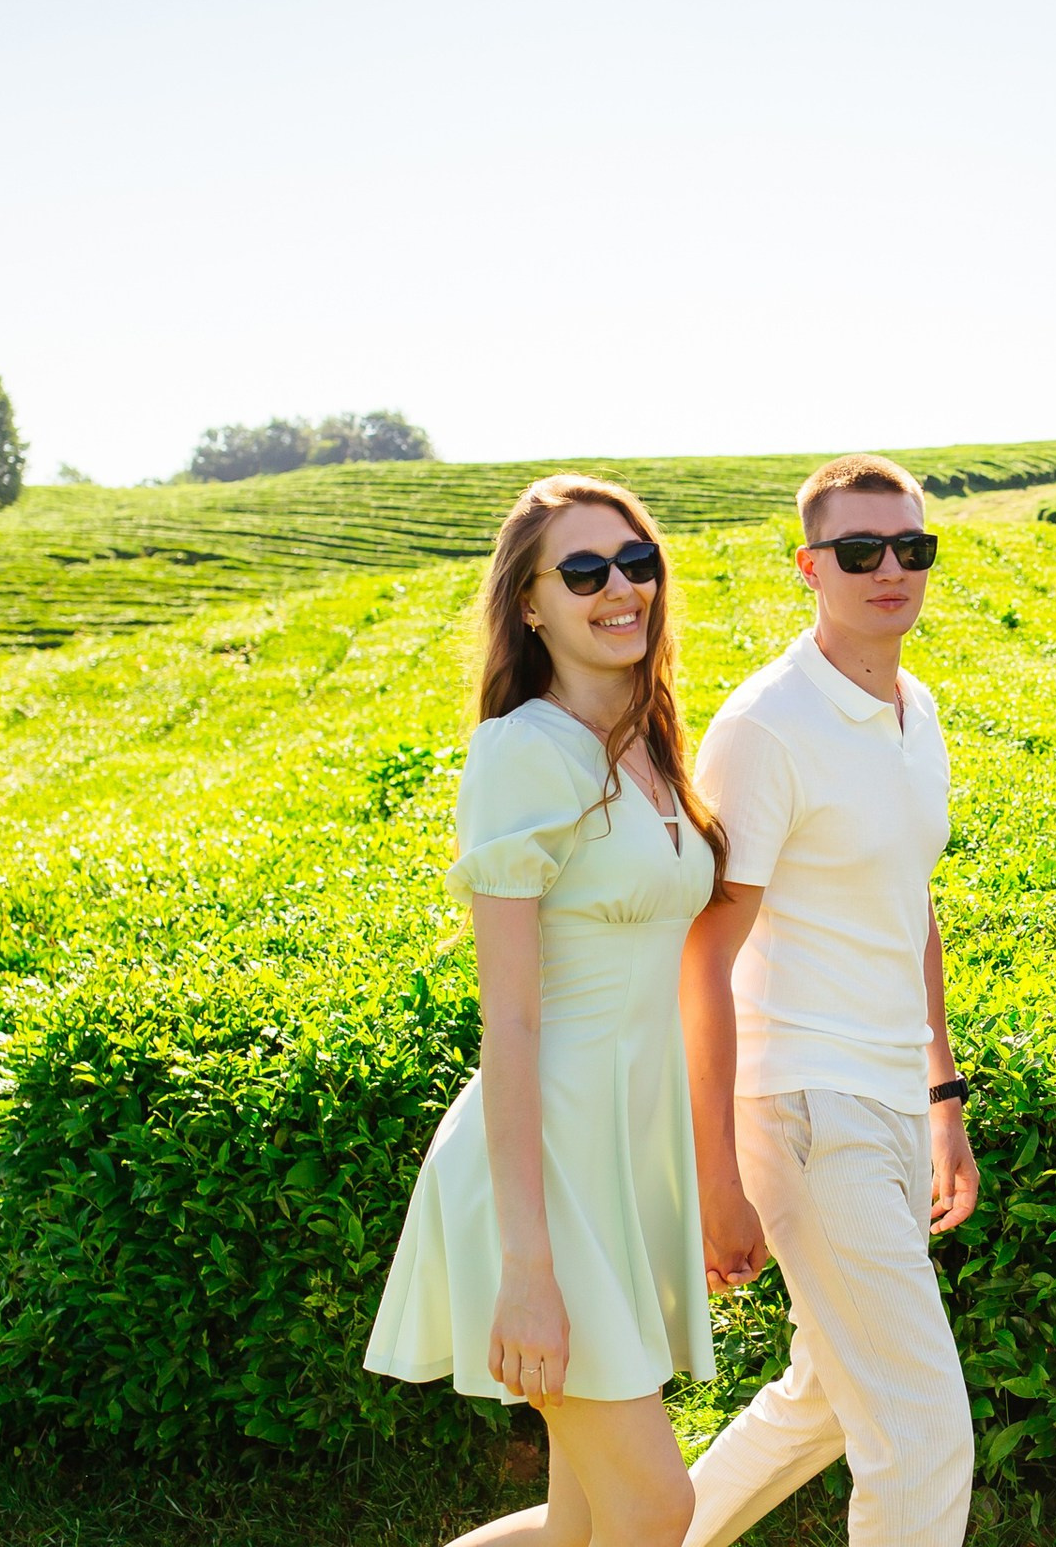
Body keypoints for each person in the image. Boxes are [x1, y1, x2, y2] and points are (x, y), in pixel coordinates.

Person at [364, 474, 753, 1547]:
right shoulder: (523, 752)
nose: (619, 587)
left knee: (586, 1519)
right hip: (536, 1179)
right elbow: (513, 1024)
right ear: (530, 603)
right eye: (583, 570)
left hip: (617, 1162)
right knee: (653, 1505)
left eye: (636, 563)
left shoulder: (654, 745)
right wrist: (527, 1269)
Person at [680, 454, 979, 1547]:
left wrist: (943, 1095)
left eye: (911, 547)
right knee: (922, 1430)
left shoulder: (918, 707)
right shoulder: (767, 724)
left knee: (823, 1397)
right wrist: (717, 1164)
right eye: (860, 551)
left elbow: (913, 906)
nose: (889, 568)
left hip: (893, 1097)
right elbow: (703, 956)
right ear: (811, 567)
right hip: (807, 1106)